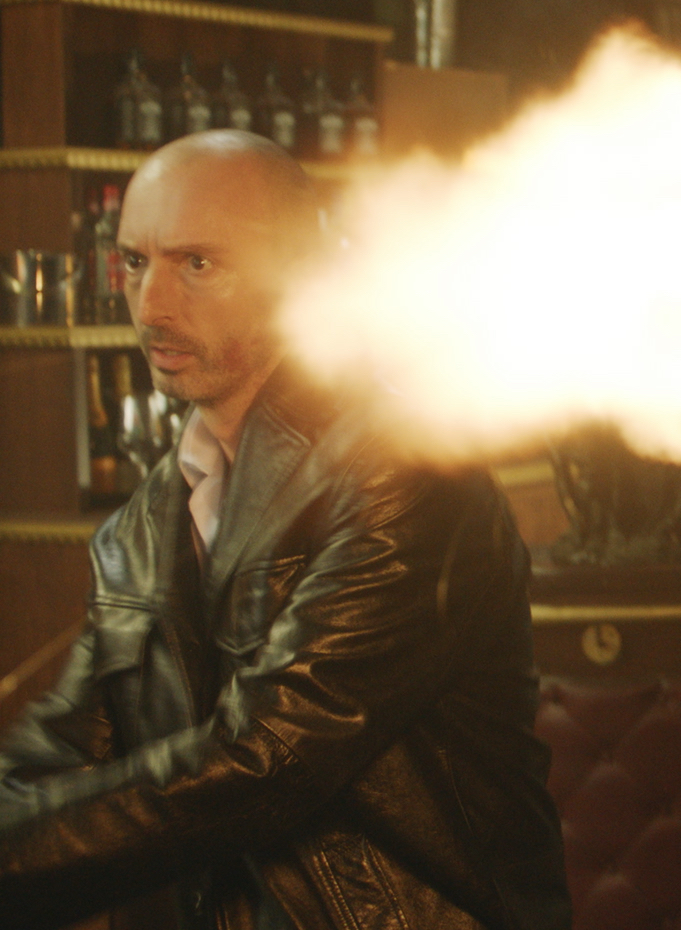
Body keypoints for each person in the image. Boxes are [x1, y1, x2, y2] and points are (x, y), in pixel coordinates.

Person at [0, 131, 570, 930]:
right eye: (134, 262)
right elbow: (60, 752)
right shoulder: (143, 526)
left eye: (198, 264)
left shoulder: (405, 473)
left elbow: (263, 759)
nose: (151, 305)